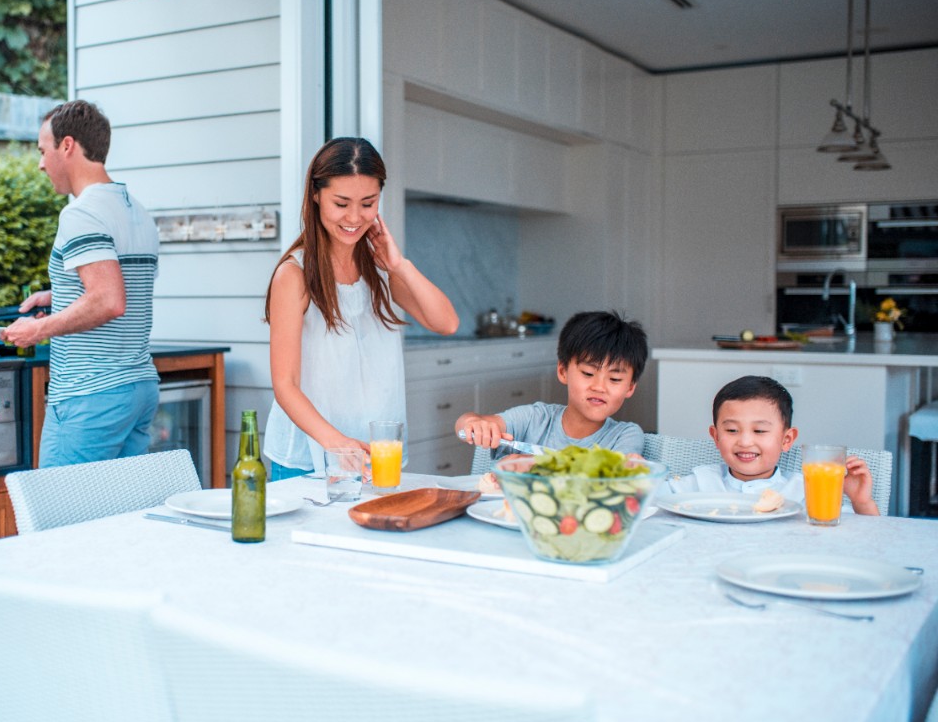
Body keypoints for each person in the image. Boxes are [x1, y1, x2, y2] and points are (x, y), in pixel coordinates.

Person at [263, 137, 459, 481]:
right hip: (309, 457)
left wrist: (400, 264)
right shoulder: (293, 274)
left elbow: (446, 323)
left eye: (368, 203)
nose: (355, 217)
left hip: (376, 454)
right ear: (315, 195)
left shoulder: (382, 268)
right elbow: (285, 385)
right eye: (341, 203)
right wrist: (337, 445)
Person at [2, 100, 160, 468]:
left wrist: (37, 329)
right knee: (120, 516)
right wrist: (58, 292)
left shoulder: (81, 213)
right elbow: (125, 287)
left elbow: (108, 299)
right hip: (137, 388)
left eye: (44, 151)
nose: (41, 163)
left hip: (90, 394)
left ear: (67, 146)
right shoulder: (137, 211)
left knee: (60, 519)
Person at [664, 375, 879, 514]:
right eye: (731, 430)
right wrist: (637, 476)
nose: (745, 442)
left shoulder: (804, 491)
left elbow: (866, 539)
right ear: (716, 437)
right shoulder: (700, 483)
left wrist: (861, 502)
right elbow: (647, 501)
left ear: (786, 440)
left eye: (759, 431)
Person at [455, 310, 648, 459]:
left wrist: (533, 465)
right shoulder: (535, 419)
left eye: (614, 379)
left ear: (630, 387)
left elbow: (614, 478)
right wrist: (474, 424)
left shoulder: (626, 435)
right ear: (563, 371)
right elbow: (466, 423)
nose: (599, 387)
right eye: (588, 373)